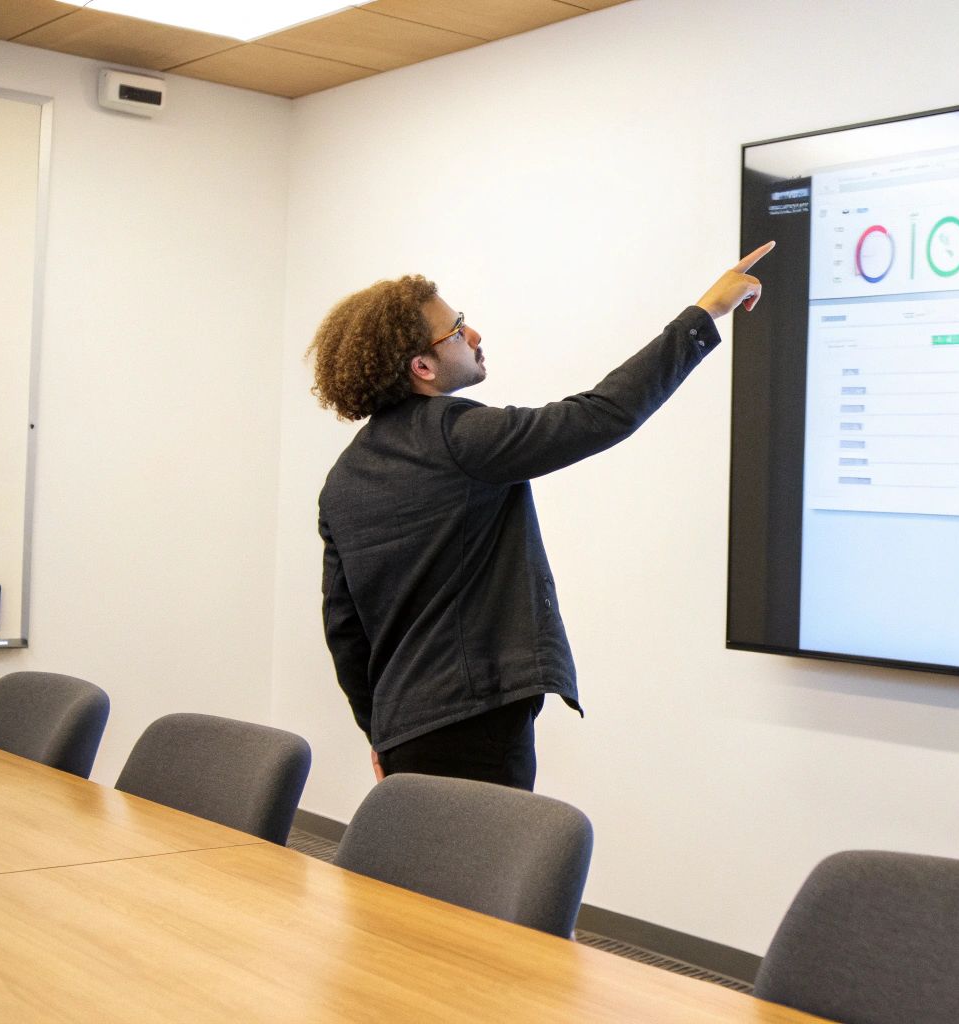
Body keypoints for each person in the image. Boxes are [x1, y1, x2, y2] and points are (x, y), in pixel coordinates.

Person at [309, 243, 772, 790]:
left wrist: (379, 731)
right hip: (476, 721)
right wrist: (705, 313)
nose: (473, 334)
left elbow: (344, 630)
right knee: (485, 851)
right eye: (455, 330)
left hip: (405, 730)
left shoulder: (342, 480)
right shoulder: (455, 436)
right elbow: (603, 414)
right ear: (423, 366)